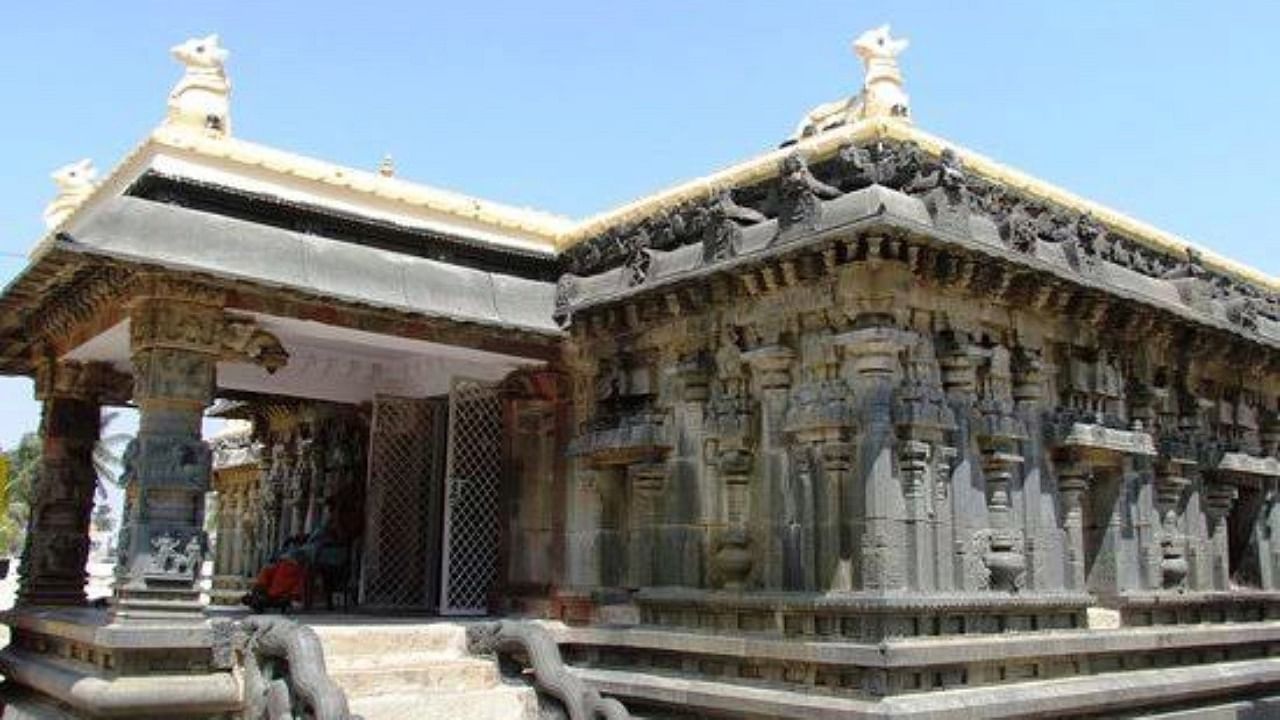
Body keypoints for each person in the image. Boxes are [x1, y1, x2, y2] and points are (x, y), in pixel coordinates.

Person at [241, 536, 307, 613]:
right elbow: (273, 562)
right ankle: (259, 593)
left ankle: (264, 597)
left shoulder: (295, 557)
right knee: (266, 570)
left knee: (282, 571)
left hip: (288, 573)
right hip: (280, 571)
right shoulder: (283, 555)